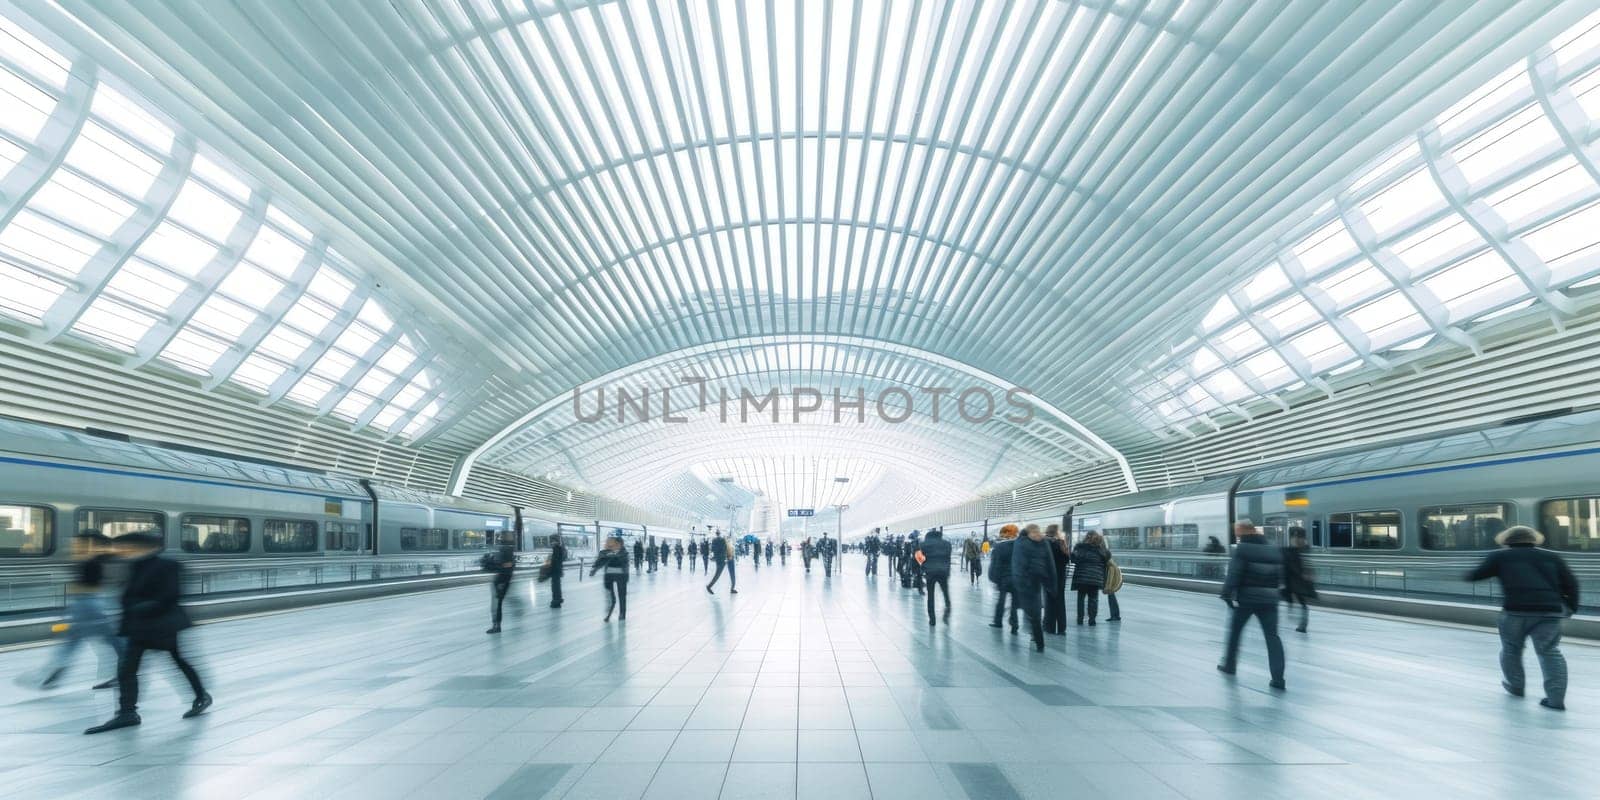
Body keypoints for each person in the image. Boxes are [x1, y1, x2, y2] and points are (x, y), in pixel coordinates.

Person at [85, 533, 210, 734]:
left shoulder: (169, 566)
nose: (122, 551)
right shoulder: (132, 565)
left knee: (179, 662)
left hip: (162, 625)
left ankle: (201, 696)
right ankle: (127, 713)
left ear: (143, 546)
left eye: (127, 546)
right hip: (138, 627)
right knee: (127, 669)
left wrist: (140, 608)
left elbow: (170, 595)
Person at [1466, 525, 1579, 711]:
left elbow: (1475, 576)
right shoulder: (1552, 556)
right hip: (1549, 612)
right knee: (1550, 652)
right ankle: (1555, 699)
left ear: (1506, 540)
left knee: (1511, 649)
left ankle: (1516, 687)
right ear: (1534, 538)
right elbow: (1571, 583)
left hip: (1515, 611)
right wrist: (1571, 607)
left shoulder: (1500, 556)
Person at [40, 533, 123, 690]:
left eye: (77, 543)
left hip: (85, 605)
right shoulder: (96, 561)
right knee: (115, 642)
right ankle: (124, 673)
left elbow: (85, 586)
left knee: (72, 641)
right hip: (94, 604)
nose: (74, 546)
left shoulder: (89, 562)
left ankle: (57, 669)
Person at [1217, 520, 1286, 690]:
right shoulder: (1273, 549)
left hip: (1247, 600)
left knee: (1235, 632)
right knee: (1273, 637)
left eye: (1237, 531)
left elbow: (1234, 574)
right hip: (1270, 600)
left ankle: (1230, 665)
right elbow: (1280, 576)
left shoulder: (1241, 549)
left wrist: (1226, 594)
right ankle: (1278, 678)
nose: (1237, 535)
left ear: (1242, 531)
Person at [1011, 524, 1058, 651]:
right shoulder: (1020, 543)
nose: (1037, 535)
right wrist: (1020, 583)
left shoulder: (1044, 543)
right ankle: (1033, 635)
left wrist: (1052, 583)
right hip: (1025, 583)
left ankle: (1039, 641)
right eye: (1034, 532)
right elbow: (1018, 564)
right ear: (1028, 533)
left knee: (1035, 614)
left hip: (1037, 582)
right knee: (1031, 613)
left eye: (1038, 532)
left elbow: (1050, 563)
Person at [917, 528, 953, 626]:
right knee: (946, 593)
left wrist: (923, 568)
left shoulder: (923, 544)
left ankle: (932, 619)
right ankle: (947, 610)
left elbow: (919, 558)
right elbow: (948, 559)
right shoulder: (947, 544)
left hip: (930, 573)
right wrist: (947, 571)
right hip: (943, 572)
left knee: (931, 596)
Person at [1070, 531, 1108, 626]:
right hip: (1095, 579)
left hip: (1081, 578)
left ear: (1086, 537)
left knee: (1081, 599)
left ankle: (1080, 619)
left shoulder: (1079, 547)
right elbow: (1107, 559)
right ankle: (1092, 620)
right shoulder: (1101, 550)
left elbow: (1073, 559)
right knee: (1093, 599)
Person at [1281, 528, 1315, 633]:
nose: (1296, 539)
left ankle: (1302, 623)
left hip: (1297, 580)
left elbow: (1293, 565)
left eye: (1297, 537)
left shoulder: (1298, 550)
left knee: (1299, 600)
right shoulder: (1300, 550)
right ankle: (1301, 621)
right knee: (1299, 600)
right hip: (1296, 579)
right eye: (1294, 537)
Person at [988, 525, 1020, 634]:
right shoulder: (1019, 546)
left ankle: (998, 622)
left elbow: (995, 565)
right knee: (1014, 603)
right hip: (1016, 579)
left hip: (1003, 579)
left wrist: (994, 578)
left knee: (1001, 601)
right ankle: (1014, 624)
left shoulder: (999, 547)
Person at [589, 535, 629, 622]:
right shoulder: (607, 552)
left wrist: (613, 555)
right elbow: (601, 560)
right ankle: (609, 615)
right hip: (610, 576)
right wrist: (594, 569)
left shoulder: (624, 552)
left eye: (618, 544)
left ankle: (622, 614)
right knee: (611, 597)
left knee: (622, 596)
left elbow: (623, 562)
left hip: (621, 577)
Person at [1041, 526, 1070, 634]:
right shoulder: (1061, 543)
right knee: (1060, 602)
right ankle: (1062, 628)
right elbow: (1067, 559)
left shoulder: (1044, 543)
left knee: (1049, 602)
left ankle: (1049, 627)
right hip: (1061, 577)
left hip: (1048, 576)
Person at [486, 535, 516, 633]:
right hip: (502, 580)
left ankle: (496, 626)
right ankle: (496, 625)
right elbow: (507, 566)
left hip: (501, 581)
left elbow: (504, 567)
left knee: (496, 604)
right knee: (497, 604)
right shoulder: (509, 552)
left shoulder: (505, 552)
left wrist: (492, 563)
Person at [706, 530, 737, 594]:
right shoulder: (721, 540)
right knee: (723, 574)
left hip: (728, 558)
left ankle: (732, 588)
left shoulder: (723, 540)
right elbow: (722, 549)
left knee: (725, 574)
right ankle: (709, 586)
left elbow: (715, 550)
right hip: (725, 558)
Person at [547, 535, 567, 608]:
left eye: (552, 541)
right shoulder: (560, 548)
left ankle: (556, 601)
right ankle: (557, 601)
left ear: (555, 541)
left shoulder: (556, 548)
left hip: (555, 571)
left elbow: (555, 561)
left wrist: (550, 570)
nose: (551, 542)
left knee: (555, 587)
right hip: (558, 571)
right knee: (557, 587)